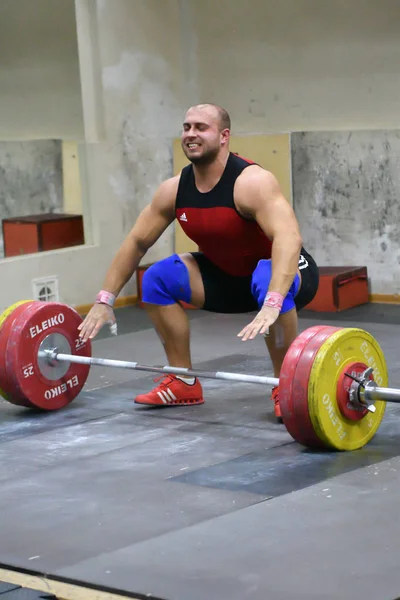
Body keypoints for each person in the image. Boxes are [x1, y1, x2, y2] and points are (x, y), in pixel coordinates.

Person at [78, 103, 319, 420]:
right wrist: (104, 299)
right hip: (225, 277)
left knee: (264, 274)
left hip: (283, 277)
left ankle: (284, 385)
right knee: (156, 278)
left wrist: (274, 299)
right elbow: (137, 241)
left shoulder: (252, 182)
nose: (191, 134)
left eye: (201, 128)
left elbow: (289, 238)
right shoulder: (175, 189)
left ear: (224, 136)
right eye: (187, 127)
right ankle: (183, 381)